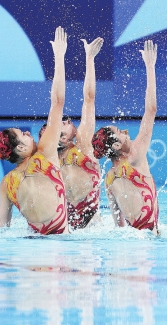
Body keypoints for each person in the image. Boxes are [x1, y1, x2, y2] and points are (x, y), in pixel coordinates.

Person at [0, 27, 68, 235]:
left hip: (31, 251)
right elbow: (58, 102)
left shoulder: (6, 184)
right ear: (21, 148)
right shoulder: (45, 155)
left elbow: (2, 231)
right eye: (23, 134)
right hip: (62, 246)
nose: (27, 133)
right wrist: (59, 56)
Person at [91, 40, 158, 232]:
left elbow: (119, 226)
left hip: (129, 242)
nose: (126, 133)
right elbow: (151, 110)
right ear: (116, 146)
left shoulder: (109, 178)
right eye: (120, 133)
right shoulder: (135, 156)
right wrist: (150, 66)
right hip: (149, 239)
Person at [38, 37, 104, 230]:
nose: (66, 120)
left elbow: (88, 99)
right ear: (63, 139)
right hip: (91, 233)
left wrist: (89, 59)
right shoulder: (83, 148)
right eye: (62, 124)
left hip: (65, 230)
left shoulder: (50, 161)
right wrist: (84, 58)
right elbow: (80, 100)